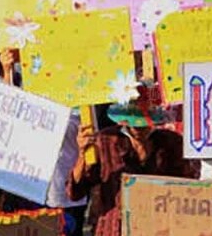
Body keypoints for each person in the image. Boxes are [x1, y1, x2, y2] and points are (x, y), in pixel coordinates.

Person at [68, 86, 196, 236]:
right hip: (114, 228)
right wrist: (83, 154)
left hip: (158, 228)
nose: (138, 129)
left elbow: (186, 189)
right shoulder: (104, 140)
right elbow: (75, 192)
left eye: (143, 125)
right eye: (134, 125)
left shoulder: (172, 142)